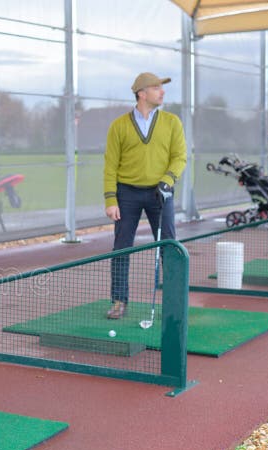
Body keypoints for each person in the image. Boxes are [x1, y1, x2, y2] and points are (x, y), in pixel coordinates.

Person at [103, 72, 187, 320]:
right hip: (126, 194)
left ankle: (173, 301)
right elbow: (110, 165)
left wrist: (167, 181)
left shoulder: (172, 122)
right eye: (156, 87)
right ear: (142, 93)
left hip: (160, 192)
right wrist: (111, 200)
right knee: (121, 248)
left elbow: (180, 157)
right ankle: (119, 301)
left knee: (169, 246)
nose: (162, 91)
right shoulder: (119, 126)